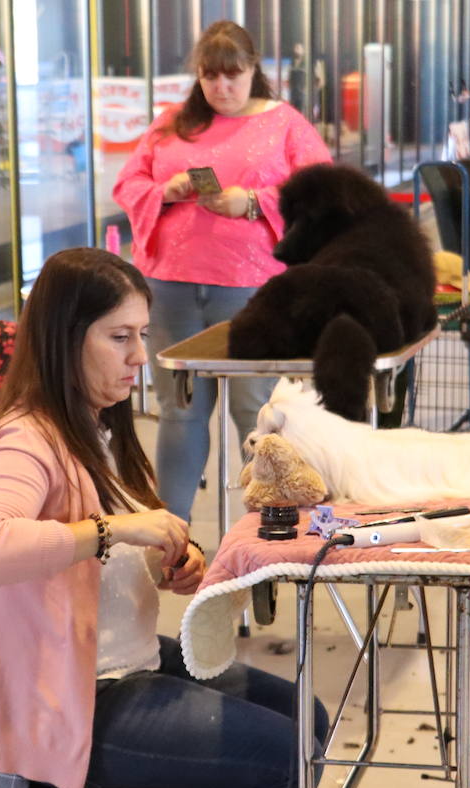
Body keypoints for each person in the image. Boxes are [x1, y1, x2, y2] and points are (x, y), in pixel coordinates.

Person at [0, 247, 328, 788]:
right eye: (119, 337)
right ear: (65, 338)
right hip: (73, 697)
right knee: (281, 759)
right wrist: (114, 529)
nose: (138, 356)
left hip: (124, 665)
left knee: (308, 719)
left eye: (143, 336)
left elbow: (114, 556)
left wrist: (172, 565)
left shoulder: (101, 429)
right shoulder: (27, 437)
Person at [112, 20, 331, 520]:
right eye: (210, 77)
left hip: (253, 290)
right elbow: (129, 183)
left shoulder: (286, 124)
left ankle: (267, 528)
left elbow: (323, 192)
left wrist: (252, 202)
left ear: (255, 70)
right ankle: (173, 530)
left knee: (257, 410)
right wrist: (166, 191)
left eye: (233, 75)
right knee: (180, 411)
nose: (222, 88)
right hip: (170, 285)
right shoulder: (172, 123)